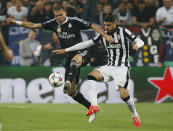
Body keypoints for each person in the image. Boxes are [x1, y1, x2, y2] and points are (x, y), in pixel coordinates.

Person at [7, 5, 114, 113]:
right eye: (56, 15)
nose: (58, 17)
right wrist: (16, 22)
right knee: (71, 92)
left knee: (75, 61)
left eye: (60, 15)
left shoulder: (75, 21)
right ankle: (91, 107)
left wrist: (106, 36)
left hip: (82, 51)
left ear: (65, 13)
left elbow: (93, 25)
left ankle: (68, 80)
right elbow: (33, 25)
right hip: (68, 54)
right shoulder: (53, 23)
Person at [52, 15, 144, 127]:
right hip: (109, 66)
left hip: (122, 67)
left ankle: (134, 114)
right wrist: (66, 50)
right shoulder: (103, 34)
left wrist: (136, 47)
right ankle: (94, 106)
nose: (106, 27)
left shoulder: (123, 31)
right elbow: (87, 43)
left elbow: (139, 41)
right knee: (91, 76)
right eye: (105, 25)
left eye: (108, 25)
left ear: (115, 23)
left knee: (124, 95)